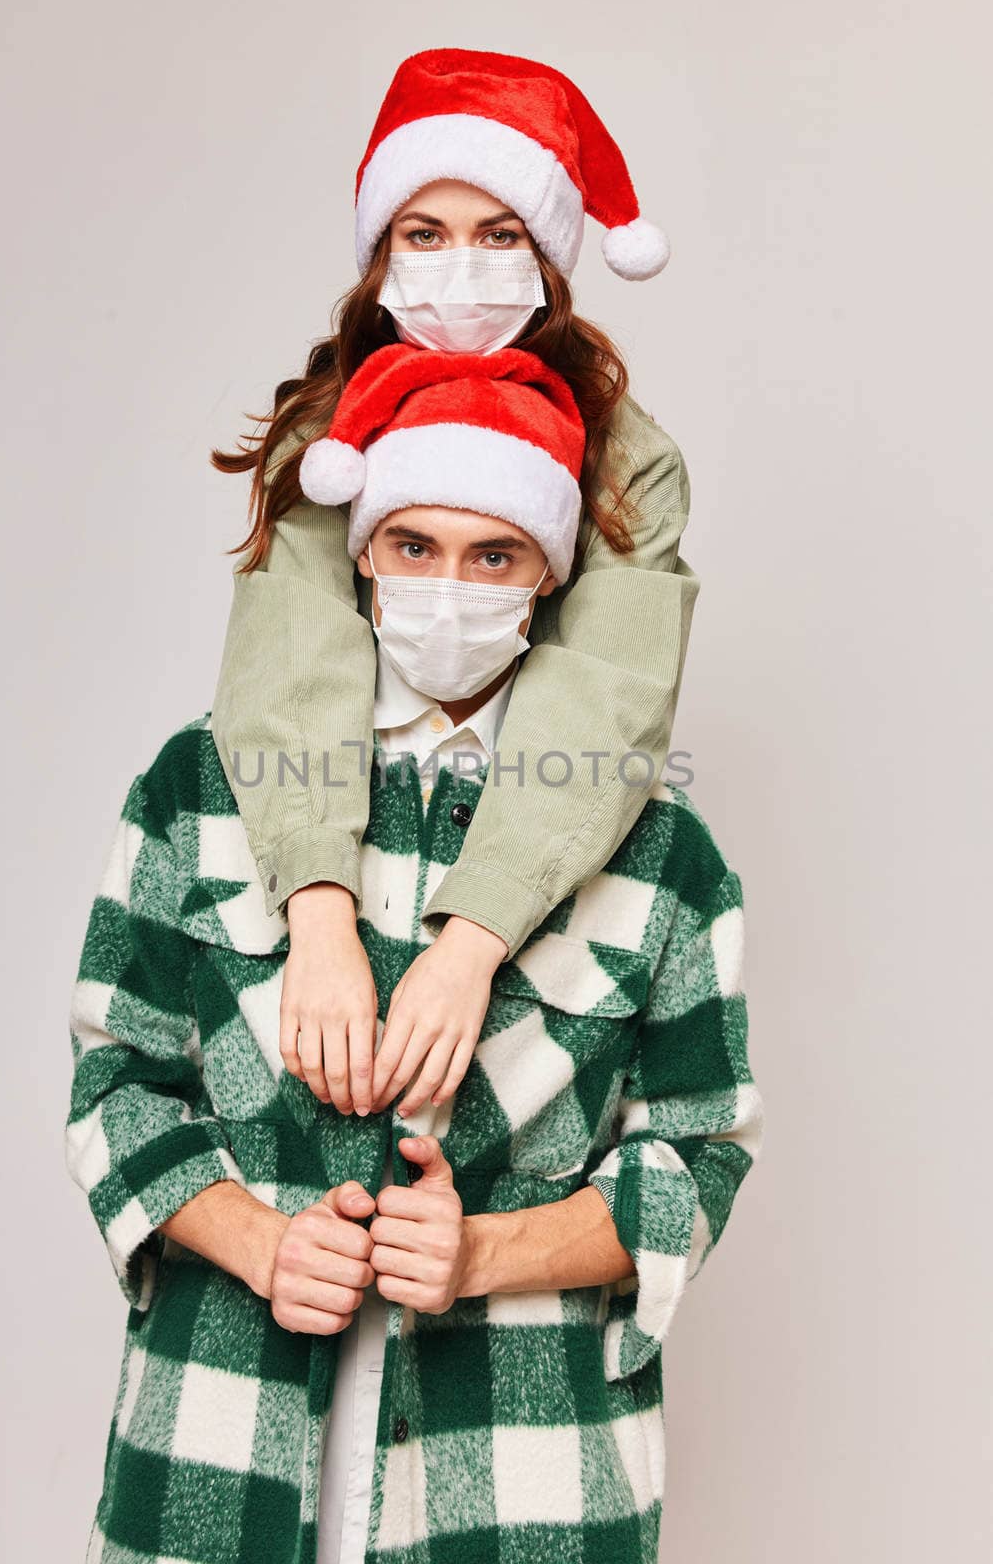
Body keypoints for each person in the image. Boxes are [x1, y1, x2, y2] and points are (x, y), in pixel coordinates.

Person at [66, 346, 763, 1564]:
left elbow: (700, 1149)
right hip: (210, 1450)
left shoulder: (661, 852)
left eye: (492, 554)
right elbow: (117, 1081)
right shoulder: (204, 784)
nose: (450, 588)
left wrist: (480, 1253)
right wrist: (258, 1240)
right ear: (361, 554)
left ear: (546, 575)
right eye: (413, 546)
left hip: (527, 1486)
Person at [208, 47, 701, 1127]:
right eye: (423, 234)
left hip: (530, 852)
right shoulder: (322, 440)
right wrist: (324, 919)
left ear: (551, 255)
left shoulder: (626, 461)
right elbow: (291, 658)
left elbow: (605, 692)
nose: (458, 267)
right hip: (360, 833)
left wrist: (469, 944)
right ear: (379, 252)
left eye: (499, 234)